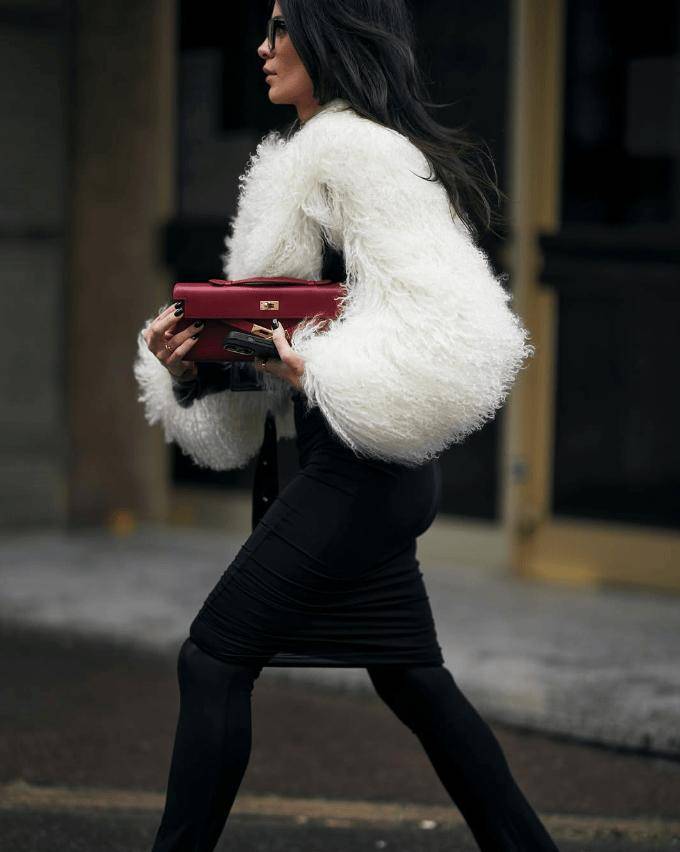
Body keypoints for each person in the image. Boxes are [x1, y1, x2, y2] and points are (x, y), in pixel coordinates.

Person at [133, 1, 560, 850]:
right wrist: (191, 364)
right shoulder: (309, 155)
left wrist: (319, 371)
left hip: (360, 475)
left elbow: (461, 333)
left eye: (281, 28)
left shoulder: (360, 154)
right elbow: (281, 341)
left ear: (331, 36)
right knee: (414, 682)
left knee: (213, 657)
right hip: (358, 471)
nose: (262, 47)